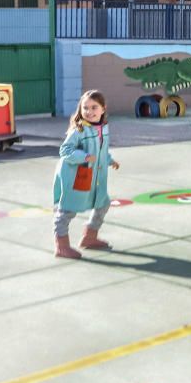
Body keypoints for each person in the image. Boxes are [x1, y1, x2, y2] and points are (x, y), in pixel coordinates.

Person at [52, 90, 120, 259]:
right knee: (67, 210)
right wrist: (83, 157)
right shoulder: (78, 130)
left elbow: (101, 150)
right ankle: (61, 245)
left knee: (103, 203)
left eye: (94, 107)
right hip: (77, 176)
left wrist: (110, 160)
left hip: (96, 177)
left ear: (103, 109)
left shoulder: (102, 128)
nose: (89, 112)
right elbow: (65, 150)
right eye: (85, 108)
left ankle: (89, 237)